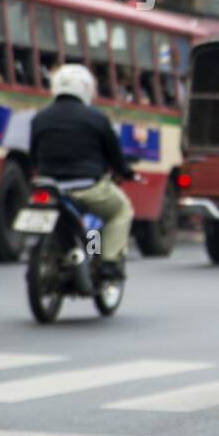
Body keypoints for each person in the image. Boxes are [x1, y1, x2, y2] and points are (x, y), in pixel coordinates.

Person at [29, 63, 137, 280]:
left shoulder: (39, 119)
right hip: (87, 188)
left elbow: (33, 156)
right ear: (86, 88)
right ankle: (108, 262)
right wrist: (126, 172)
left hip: (48, 188)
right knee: (121, 211)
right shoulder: (97, 118)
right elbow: (115, 156)